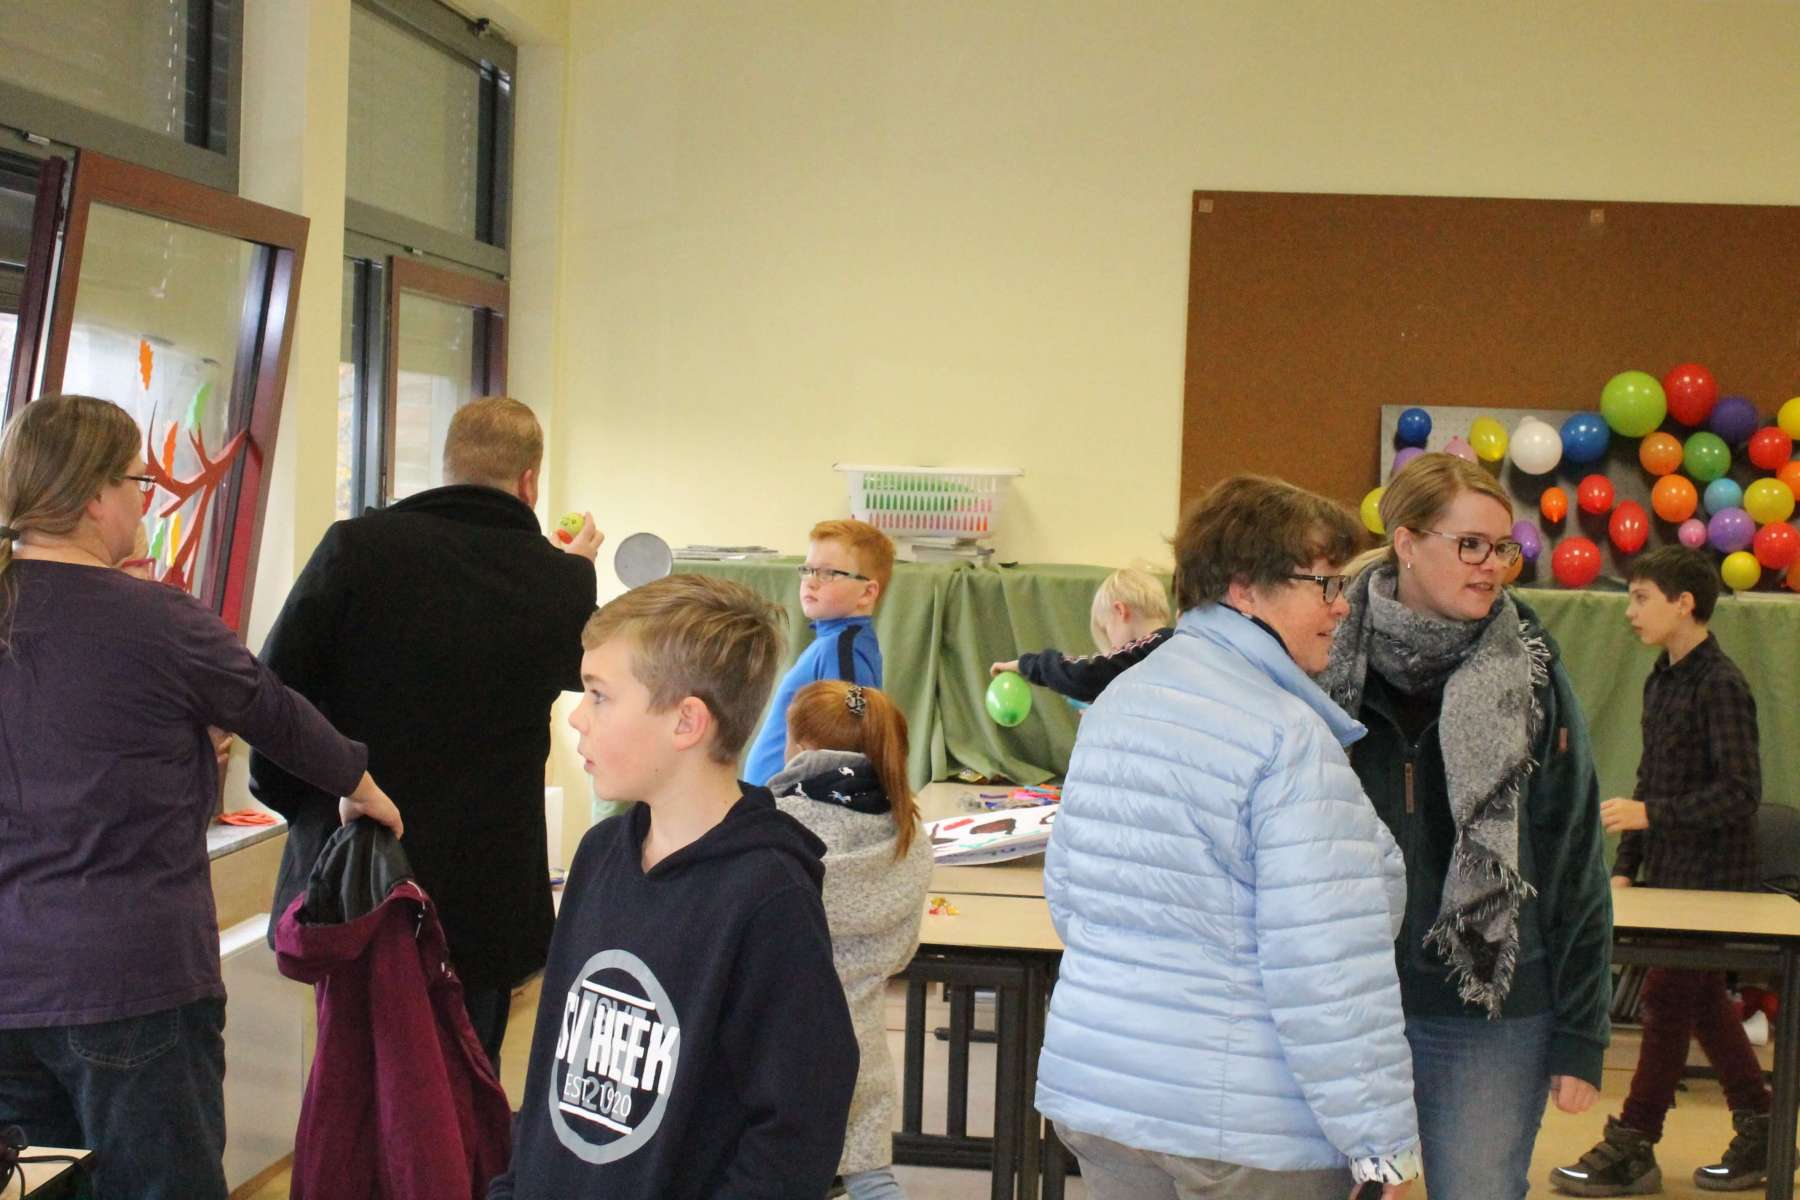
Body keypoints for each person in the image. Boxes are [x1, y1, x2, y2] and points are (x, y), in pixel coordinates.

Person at [0, 394, 401, 1200]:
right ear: (94, 497)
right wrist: (362, 788)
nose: (145, 503)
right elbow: (276, 713)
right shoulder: (157, 620)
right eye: (138, 483)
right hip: (130, 976)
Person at [1037, 474, 1421, 1200]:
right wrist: (1382, 1148)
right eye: (1324, 584)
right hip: (1244, 1127)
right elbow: (1327, 965)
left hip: (1103, 1096)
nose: (1342, 606)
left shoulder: (1119, 703)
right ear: (1245, 588)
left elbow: (1071, 898)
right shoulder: (1286, 735)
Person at [251, 396, 601, 1070]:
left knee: (357, 1084)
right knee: (467, 1085)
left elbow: (271, 701)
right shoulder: (558, 580)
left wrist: (309, 811)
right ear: (529, 482)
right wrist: (574, 570)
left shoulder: (355, 548)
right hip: (487, 891)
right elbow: (578, 671)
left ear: (445, 467)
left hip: (357, 874)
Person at [488, 574, 858, 1200]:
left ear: (686, 721)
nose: (576, 716)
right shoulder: (599, 855)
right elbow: (554, 1055)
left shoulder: (768, 896)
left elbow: (798, 1126)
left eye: (599, 695)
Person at [1319, 452, 1613, 1200]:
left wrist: (1582, 1033)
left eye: (1502, 547)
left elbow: (1576, 855)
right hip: (1342, 997)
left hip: (1489, 1012)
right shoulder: (1322, 657)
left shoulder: (1532, 674)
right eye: (1470, 544)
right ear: (1407, 543)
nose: (1491, 566)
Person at [1550, 546, 1769, 1197]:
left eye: (1642, 598)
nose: (1630, 611)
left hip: (1716, 882)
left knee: (1669, 998)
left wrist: (1652, 815)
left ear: (1684, 604)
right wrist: (1626, 867)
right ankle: (1761, 1123)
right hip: (1669, 877)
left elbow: (1740, 794)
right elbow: (1650, 780)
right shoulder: (1662, 678)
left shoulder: (1721, 684)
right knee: (1699, 1002)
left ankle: (1635, 1142)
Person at [768, 681, 932, 1200]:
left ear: (802, 747)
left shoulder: (772, 827)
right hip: (862, 1046)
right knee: (871, 1179)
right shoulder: (907, 831)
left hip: (774, 1046)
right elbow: (902, 952)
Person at [743, 518, 892, 785]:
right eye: (807, 570)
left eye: (827, 573)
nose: (810, 582)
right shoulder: (832, 642)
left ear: (867, 593)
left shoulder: (842, 649)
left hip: (792, 803)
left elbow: (845, 749)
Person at [989, 565, 1174, 703]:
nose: (1114, 647)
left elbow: (1086, 676)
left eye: (1107, 629)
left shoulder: (1150, 648)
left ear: (1120, 611)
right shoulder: (1172, 643)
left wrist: (1027, 664)